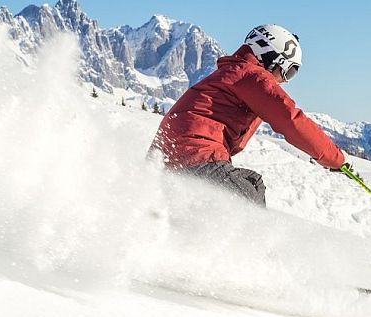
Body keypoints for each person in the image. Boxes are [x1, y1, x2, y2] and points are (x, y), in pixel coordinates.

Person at [149, 24, 348, 207]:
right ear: (271, 59)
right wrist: (335, 159)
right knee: (250, 190)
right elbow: (291, 120)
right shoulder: (252, 76)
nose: (285, 81)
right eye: (288, 71)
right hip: (197, 155)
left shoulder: (230, 74)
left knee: (242, 188)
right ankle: (250, 244)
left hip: (168, 160)